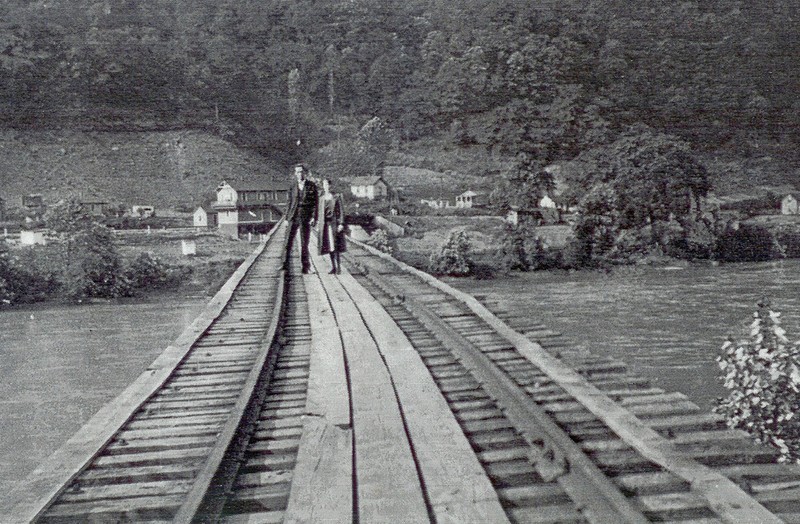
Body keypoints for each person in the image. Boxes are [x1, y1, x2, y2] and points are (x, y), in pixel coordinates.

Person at [285, 163, 318, 273]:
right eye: (298, 172)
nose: (300, 174)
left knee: (305, 243)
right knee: (288, 241)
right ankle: (284, 265)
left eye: (301, 172)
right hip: (293, 216)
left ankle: (305, 267)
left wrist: (314, 217)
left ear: (305, 173)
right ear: (295, 173)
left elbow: (315, 203)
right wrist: (286, 218)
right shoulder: (292, 186)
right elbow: (289, 203)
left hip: (305, 216)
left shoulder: (311, 185)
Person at [317, 178, 347, 274]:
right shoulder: (321, 199)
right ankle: (333, 267)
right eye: (324, 185)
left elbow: (341, 211)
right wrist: (318, 223)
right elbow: (319, 213)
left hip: (334, 224)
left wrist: (341, 223)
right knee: (329, 246)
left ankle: (338, 267)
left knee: (336, 245)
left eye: (328, 185)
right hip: (325, 225)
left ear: (330, 185)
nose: (326, 187)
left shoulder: (336, 197)